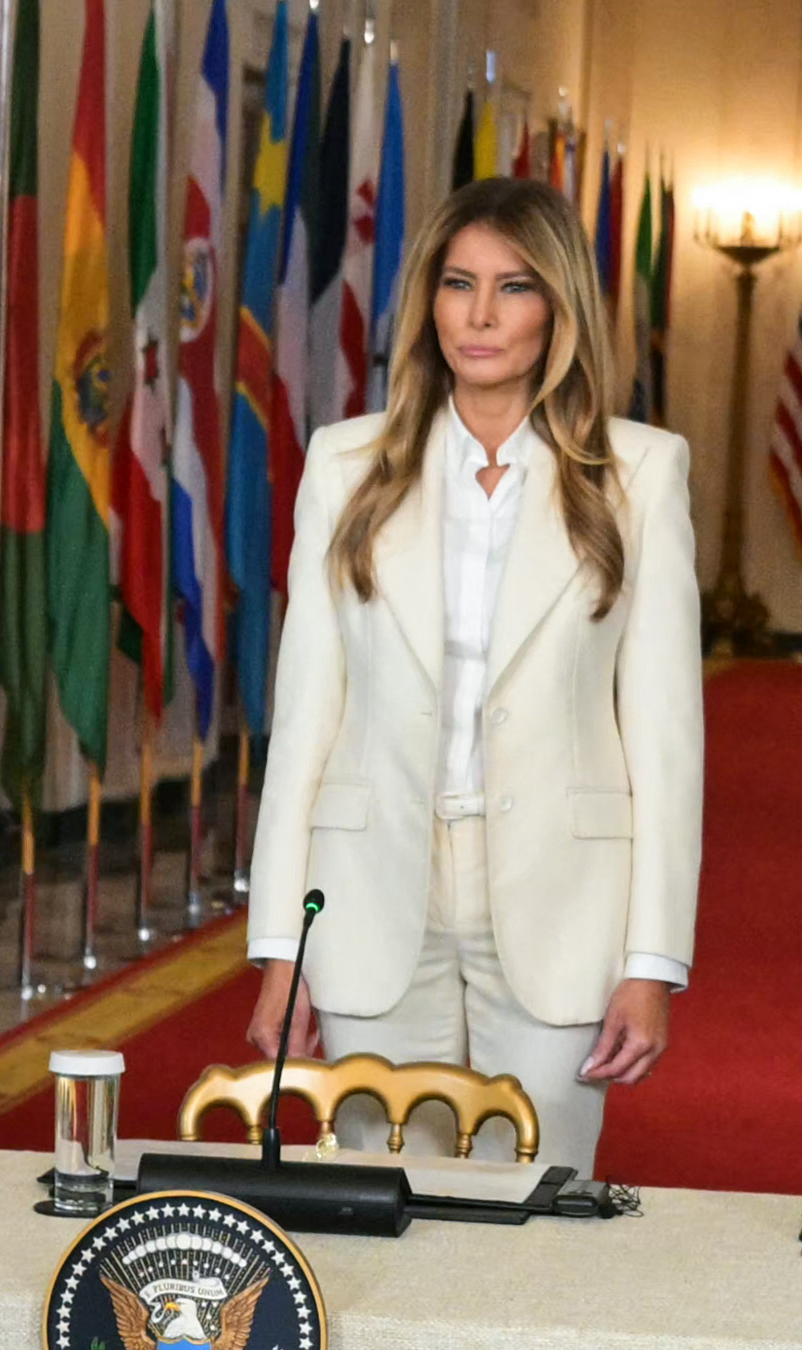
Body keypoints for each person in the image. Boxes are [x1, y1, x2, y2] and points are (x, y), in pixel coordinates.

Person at [246, 177, 701, 1173]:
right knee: (373, 1201)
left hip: (561, 901)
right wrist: (278, 944)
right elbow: (305, 726)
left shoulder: (639, 473)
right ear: (428, 303)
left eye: (512, 287)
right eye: (457, 284)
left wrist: (651, 961)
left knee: (534, 1212)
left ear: (559, 308)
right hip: (369, 894)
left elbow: (665, 739)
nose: (480, 315)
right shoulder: (342, 466)